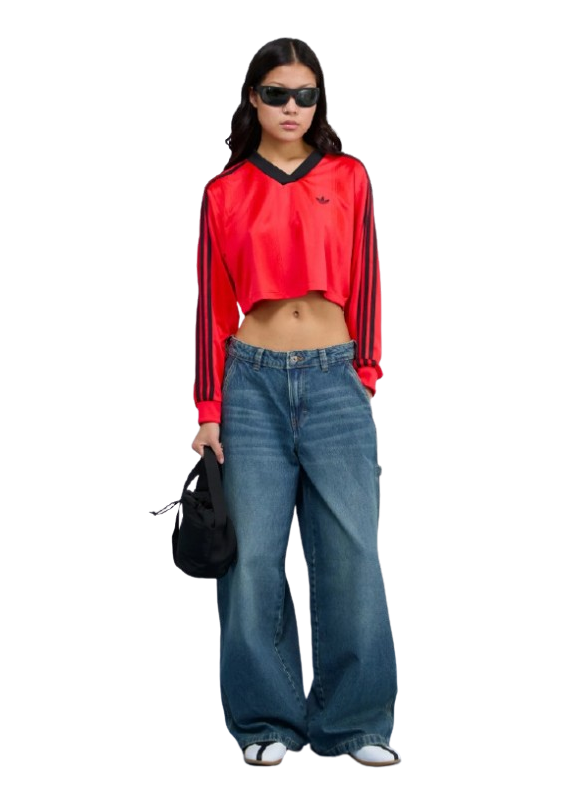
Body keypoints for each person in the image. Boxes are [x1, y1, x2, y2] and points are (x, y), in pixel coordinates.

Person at [189, 36, 399, 769]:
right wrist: (208, 410)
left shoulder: (349, 176)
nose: (290, 107)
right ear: (254, 98)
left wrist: (364, 375)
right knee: (251, 559)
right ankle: (267, 721)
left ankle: (357, 723)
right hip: (249, 384)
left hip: (336, 378)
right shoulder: (223, 192)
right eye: (276, 93)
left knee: (353, 553)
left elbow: (367, 276)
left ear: (319, 102)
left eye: (304, 95)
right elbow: (211, 305)